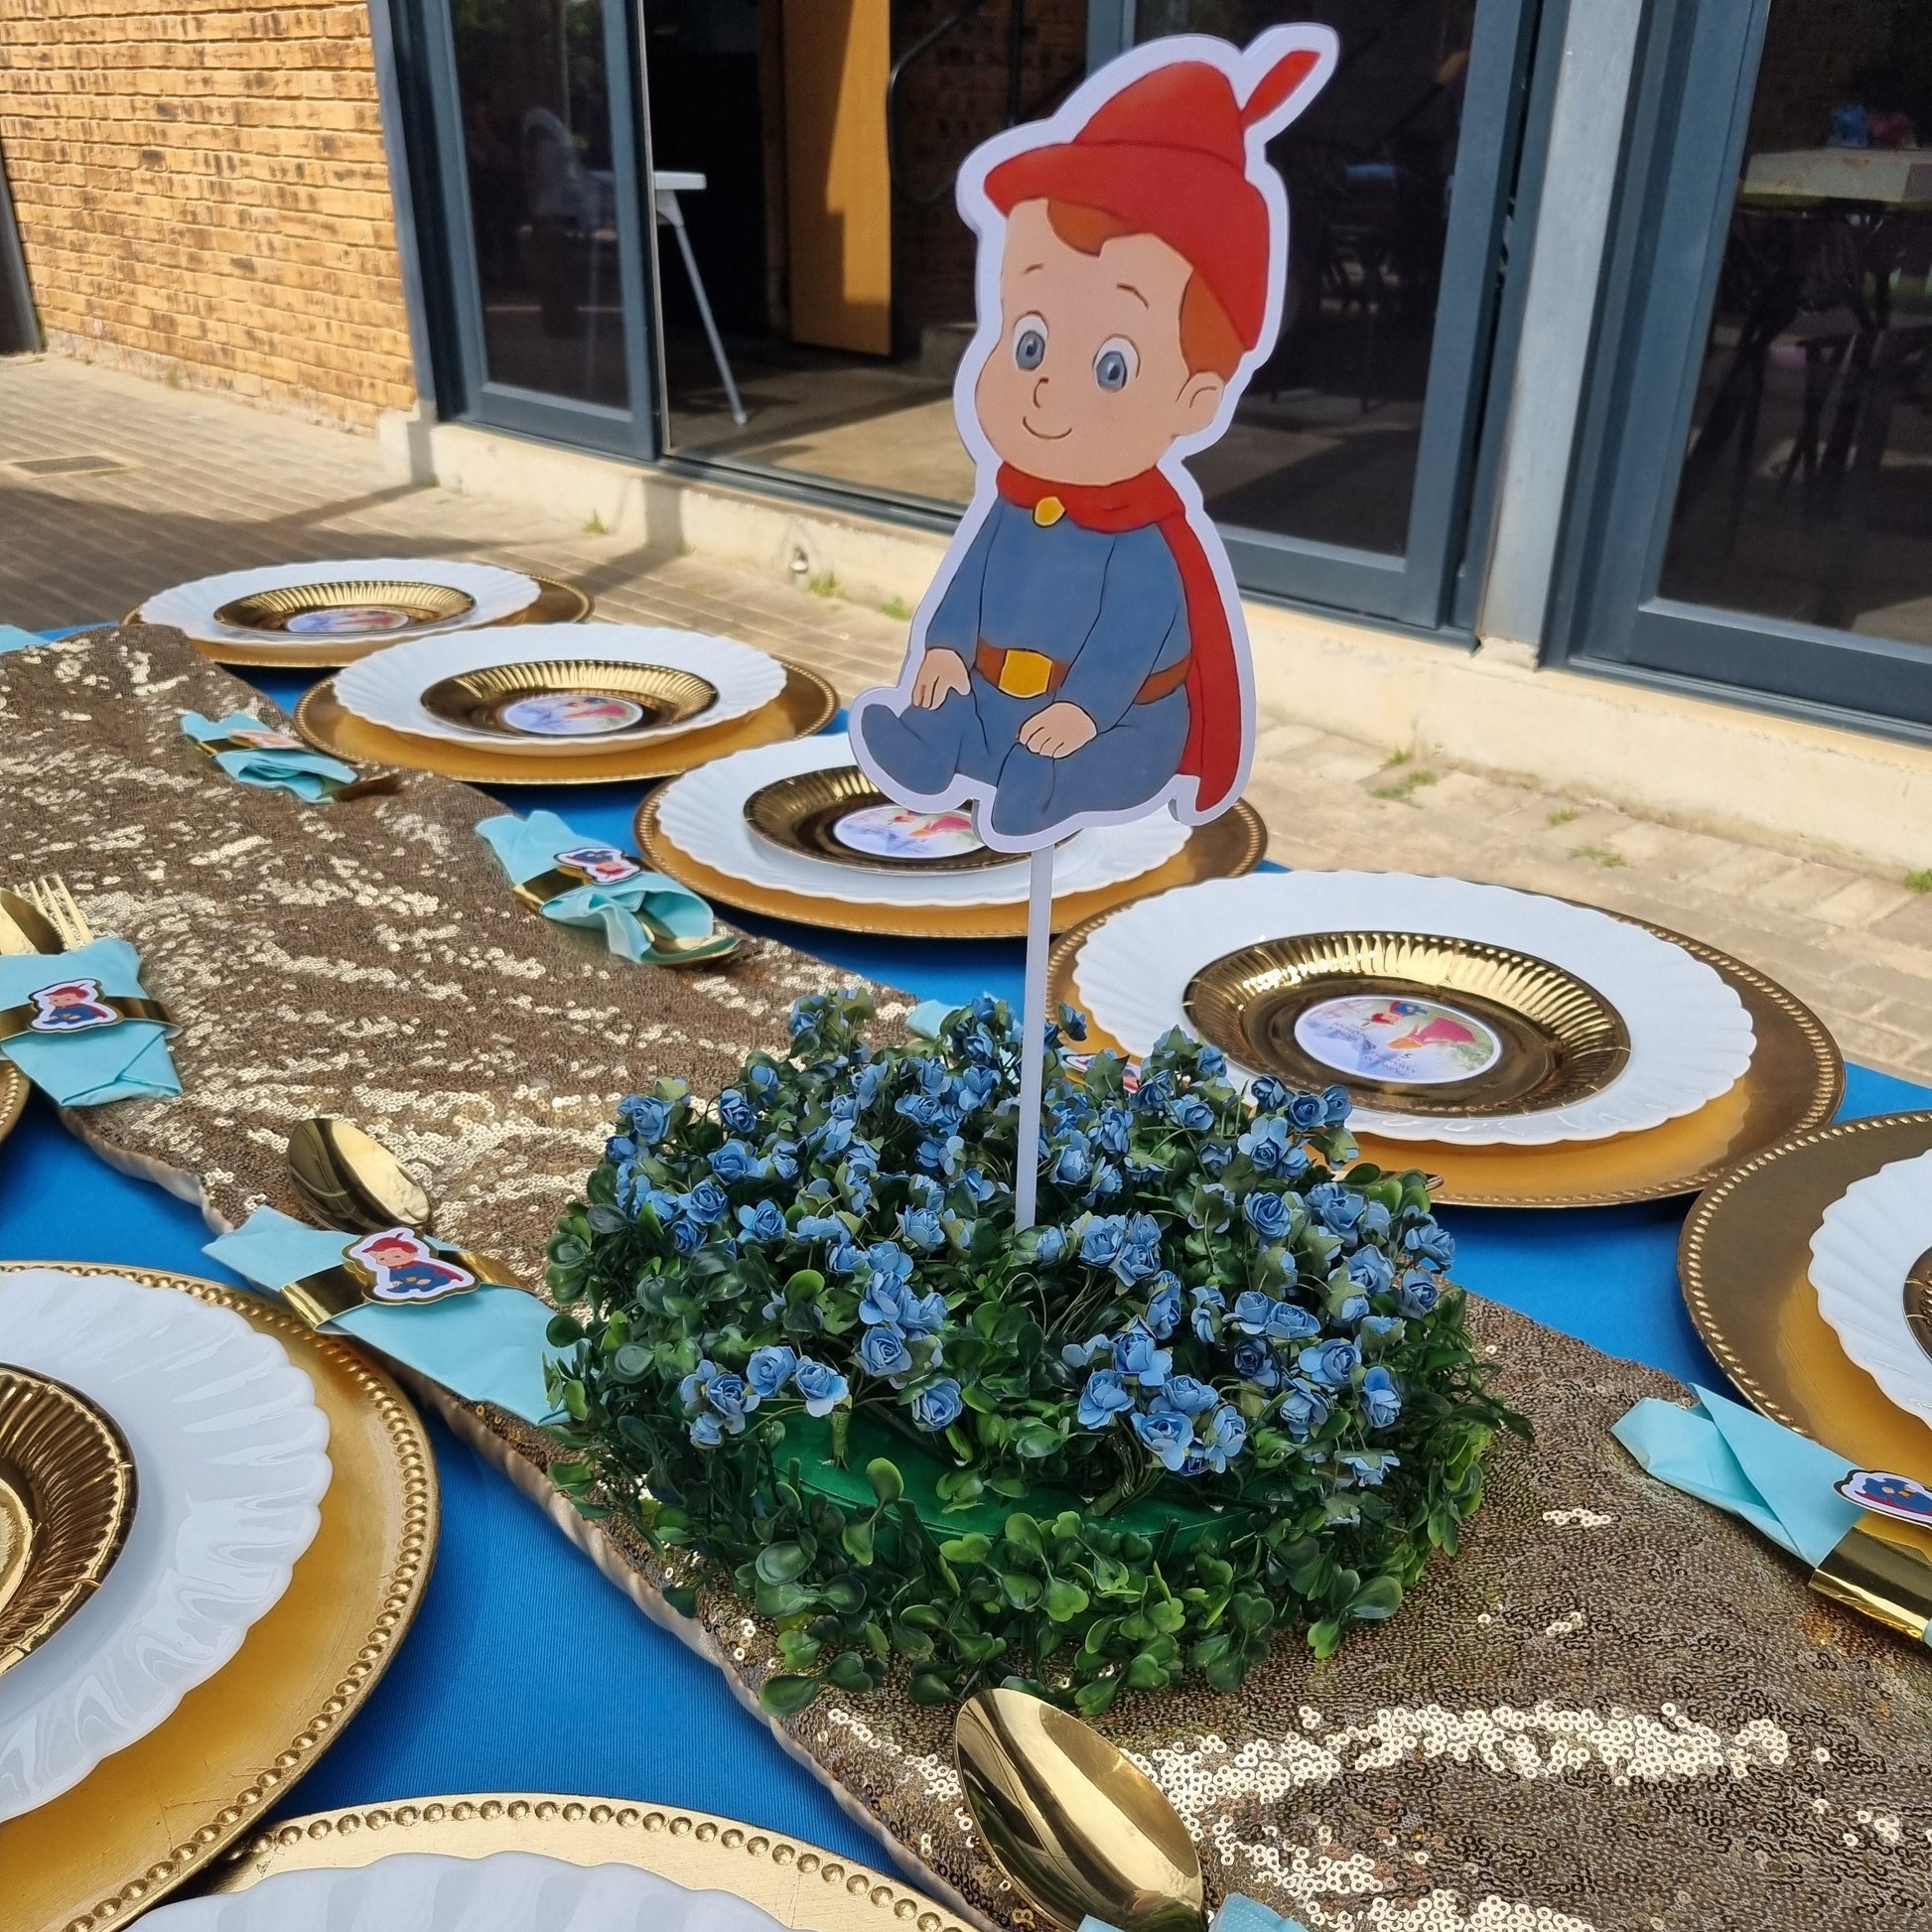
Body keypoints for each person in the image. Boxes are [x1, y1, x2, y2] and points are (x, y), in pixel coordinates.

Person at [853, 30, 1334, 846]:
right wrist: (943, 650)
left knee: (1111, 754)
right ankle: (934, 746)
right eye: (1029, 341)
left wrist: (1086, 707)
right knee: (954, 712)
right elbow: (967, 582)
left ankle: (1055, 788)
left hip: (1115, 720)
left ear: (1195, 397)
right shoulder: (1010, 500)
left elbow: (1133, 632)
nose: (1046, 383)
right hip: (1001, 700)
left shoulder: (1142, 537)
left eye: (1113, 365)